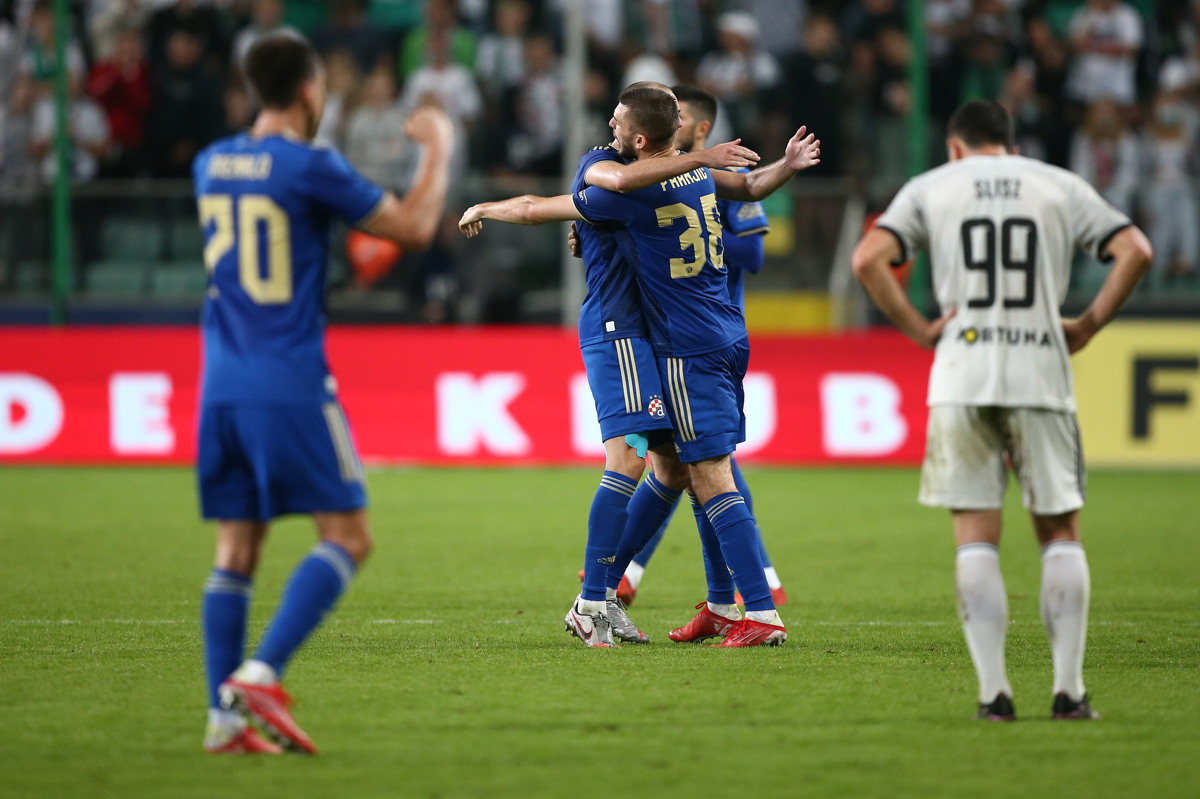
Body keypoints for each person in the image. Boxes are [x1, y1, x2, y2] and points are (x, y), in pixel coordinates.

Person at [458, 85, 820, 648]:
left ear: (639, 137)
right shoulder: (691, 175)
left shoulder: (618, 184)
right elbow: (745, 187)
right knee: (667, 466)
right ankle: (627, 599)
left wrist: (490, 209)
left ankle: (617, 597)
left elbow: (550, 204)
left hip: (663, 338)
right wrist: (773, 163)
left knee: (680, 468)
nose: (609, 125)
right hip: (695, 331)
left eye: (618, 120)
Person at [850, 100, 1152, 721]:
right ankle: (1068, 693)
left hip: (962, 372)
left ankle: (994, 696)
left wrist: (921, 329)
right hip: (1041, 369)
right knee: (1059, 533)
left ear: (956, 147)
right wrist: (1090, 323)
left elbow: (867, 261)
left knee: (975, 539)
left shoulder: (931, 186)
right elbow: (1137, 250)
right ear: (1010, 146)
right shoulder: (1057, 184)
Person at [193, 31, 453, 754]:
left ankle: (223, 722)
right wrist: (439, 146)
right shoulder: (310, 165)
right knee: (349, 535)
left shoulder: (209, 163)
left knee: (235, 549)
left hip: (218, 384)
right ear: (311, 92)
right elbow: (415, 226)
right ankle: (261, 673)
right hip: (289, 380)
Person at [576, 85, 788, 613]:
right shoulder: (698, 178)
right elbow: (751, 186)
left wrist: (610, 219)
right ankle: (711, 602)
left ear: (694, 132)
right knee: (683, 470)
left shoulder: (661, 184)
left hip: (687, 340)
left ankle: (754, 601)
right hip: (713, 332)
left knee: (707, 474)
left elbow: (752, 246)